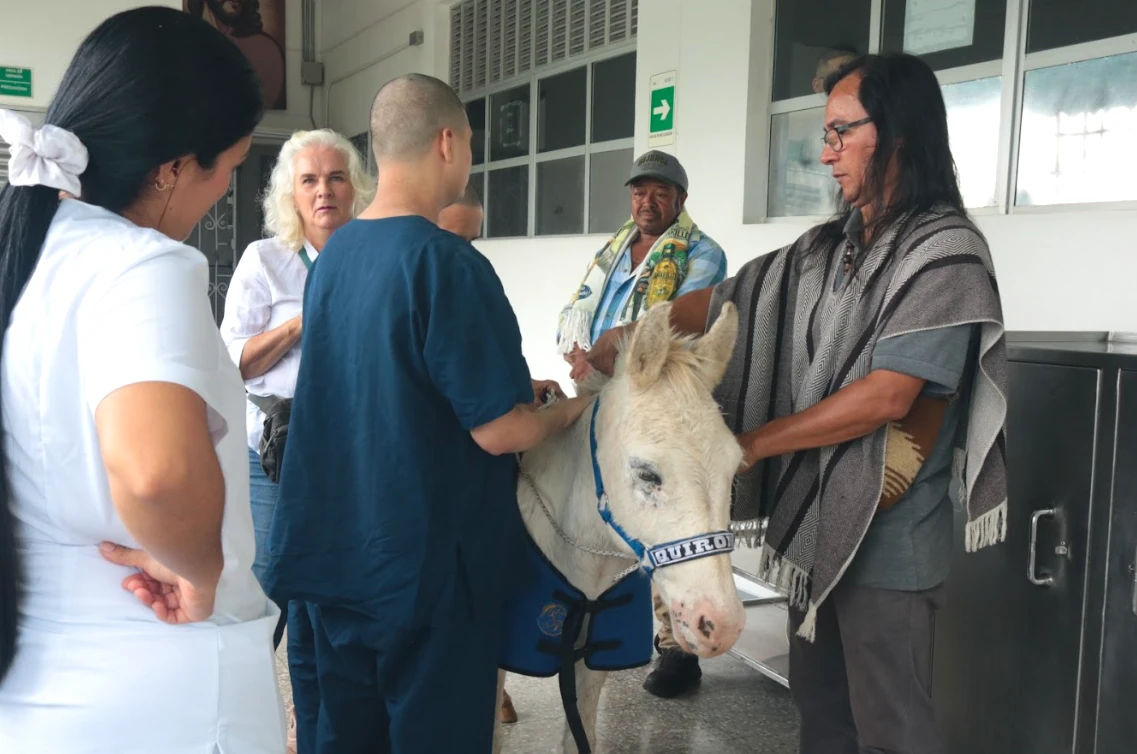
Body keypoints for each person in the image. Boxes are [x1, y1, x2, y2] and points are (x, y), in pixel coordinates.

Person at [587, 53, 1009, 754]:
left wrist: (752, 443)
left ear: (897, 133)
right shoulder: (827, 249)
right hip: (818, 537)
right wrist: (631, 334)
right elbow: (730, 300)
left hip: (888, 548)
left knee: (892, 730)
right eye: (826, 133)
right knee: (822, 717)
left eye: (842, 132)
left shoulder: (943, 254)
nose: (826, 152)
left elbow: (888, 395)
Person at [263, 73, 589, 754]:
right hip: (424, 576)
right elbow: (500, 430)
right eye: (469, 143)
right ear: (447, 142)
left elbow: (384, 382)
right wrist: (567, 414)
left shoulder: (334, 255)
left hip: (333, 563)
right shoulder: (447, 264)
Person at [0, 8, 285, 753]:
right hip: (160, 686)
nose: (223, 190)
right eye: (229, 167)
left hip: (35, 685)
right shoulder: (138, 266)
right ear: (173, 168)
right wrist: (199, 567)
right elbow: (156, 474)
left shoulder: (25, 252)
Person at [220, 127, 374, 752]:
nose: (324, 191)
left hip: (352, 452)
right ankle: (240, 718)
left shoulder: (370, 256)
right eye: (309, 180)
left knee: (332, 591)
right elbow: (234, 361)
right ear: (291, 192)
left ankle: (307, 722)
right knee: (267, 587)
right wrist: (304, 323)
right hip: (277, 455)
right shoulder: (265, 260)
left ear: (355, 186)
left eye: (336, 177)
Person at [555, 149, 727, 699]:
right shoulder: (614, 250)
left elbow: (680, 324)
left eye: (659, 192)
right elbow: (585, 314)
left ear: (680, 200)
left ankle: (677, 648)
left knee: (657, 513)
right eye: (638, 191)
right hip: (600, 392)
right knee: (599, 509)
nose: (646, 202)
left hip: (656, 406)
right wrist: (582, 352)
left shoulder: (702, 254)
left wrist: (618, 343)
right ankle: (594, 614)